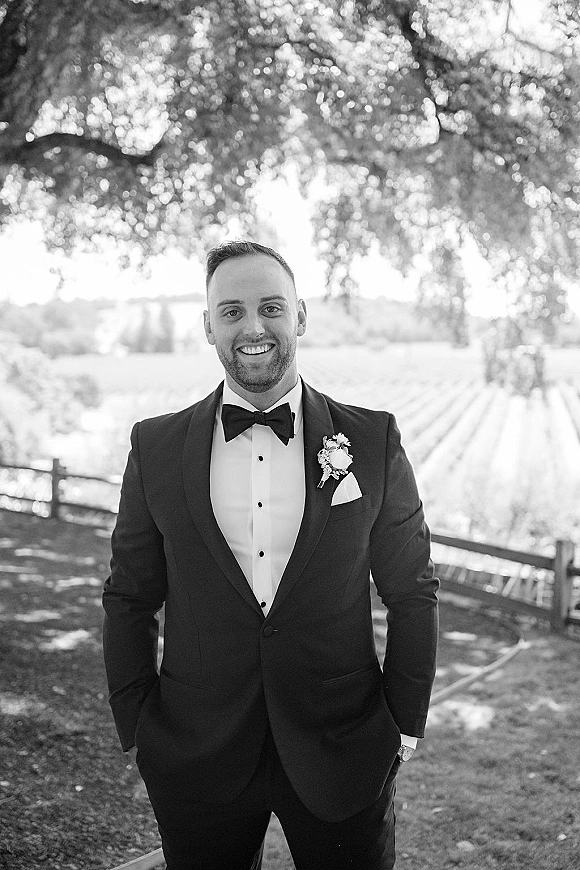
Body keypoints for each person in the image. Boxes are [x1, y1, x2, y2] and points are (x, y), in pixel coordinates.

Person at [102, 240, 439, 870]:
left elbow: (412, 589)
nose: (252, 327)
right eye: (230, 312)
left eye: (270, 308)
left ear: (301, 316)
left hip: (343, 745)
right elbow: (130, 596)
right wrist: (137, 723)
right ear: (208, 326)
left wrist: (403, 721)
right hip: (196, 751)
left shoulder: (370, 439)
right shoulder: (155, 447)